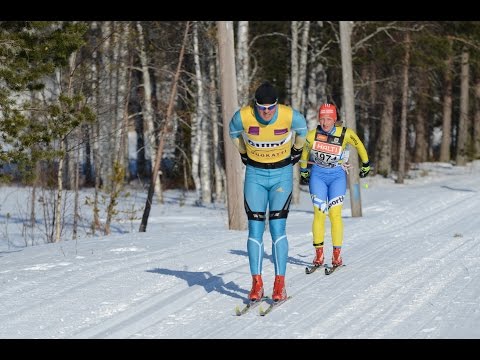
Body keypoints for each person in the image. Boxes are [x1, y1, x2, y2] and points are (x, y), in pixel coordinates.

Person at [229, 81, 307, 302]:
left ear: (277, 104)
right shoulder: (244, 116)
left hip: (281, 175)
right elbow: (233, 132)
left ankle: (279, 283)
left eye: (270, 108)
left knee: (277, 228)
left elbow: (302, 130)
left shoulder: (288, 115)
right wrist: (243, 152)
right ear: (255, 105)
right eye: (261, 108)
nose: (266, 112)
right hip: (255, 176)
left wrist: (297, 150)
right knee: (254, 229)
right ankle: (256, 283)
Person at [299, 103, 370, 268]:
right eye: (322, 119)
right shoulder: (312, 135)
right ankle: (319, 255)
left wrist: (365, 163)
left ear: (335, 119)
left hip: (337, 176)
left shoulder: (345, 133)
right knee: (319, 214)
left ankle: (336, 256)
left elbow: (359, 144)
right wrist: (303, 169)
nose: (325, 123)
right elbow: (305, 151)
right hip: (318, 176)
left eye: (329, 119)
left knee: (335, 214)